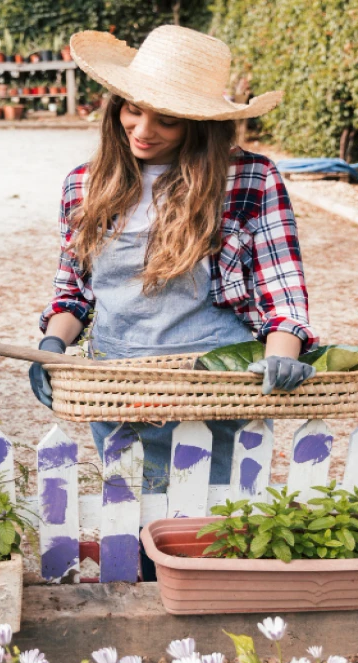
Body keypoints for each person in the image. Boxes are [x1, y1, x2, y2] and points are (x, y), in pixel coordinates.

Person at [30, 26, 320, 496]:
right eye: (133, 109)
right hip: (118, 384)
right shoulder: (84, 184)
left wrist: (281, 358)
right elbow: (73, 292)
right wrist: (50, 347)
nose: (142, 131)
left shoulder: (248, 178)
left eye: (166, 120)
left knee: (219, 521)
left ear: (200, 124)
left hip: (215, 385)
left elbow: (281, 286)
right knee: (133, 519)